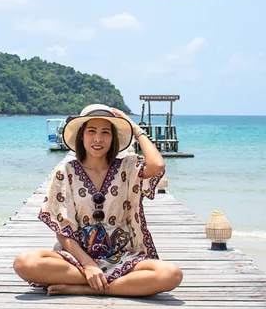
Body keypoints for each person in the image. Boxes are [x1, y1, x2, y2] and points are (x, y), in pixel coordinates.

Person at [13, 104, 183, 296]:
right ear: (81, 136)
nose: (98, 139)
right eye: (91, 131)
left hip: (121, 258)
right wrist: (88, 265)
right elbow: (63, 230)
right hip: (76, 260)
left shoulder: (127, 167)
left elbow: (157, 165)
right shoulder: (66, 172)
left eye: (105, 132)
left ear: (113, 138)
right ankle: (115, 283)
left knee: (171, 274)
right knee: (24, 263)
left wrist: (135, 129)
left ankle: (92, 288)